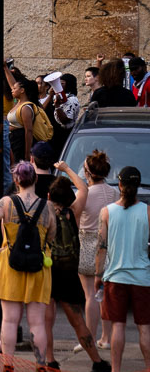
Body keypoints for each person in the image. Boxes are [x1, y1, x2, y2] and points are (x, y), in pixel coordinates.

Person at [0, 160, 54, 372]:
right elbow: (52, 235)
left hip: (10, 263)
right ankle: (41, 366)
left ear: (16, 180)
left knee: (10, 319)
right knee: (37, 321)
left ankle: (8, 366)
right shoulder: (47, 207)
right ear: (36, 179)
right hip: (39, 265)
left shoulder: (6, 203)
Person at [43, 165, 111, 372]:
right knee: (76, 318)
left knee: (46, 318)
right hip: (69, 269)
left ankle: (50, 360)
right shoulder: (73, 212)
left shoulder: (44, 209)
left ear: (48, 195)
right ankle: (96, 361)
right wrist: (66, 169)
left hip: (48, 269)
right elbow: (84, 188)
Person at [93, 165, 150, 372]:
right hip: (142, 277)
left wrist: (99, 274)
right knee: (144, 327)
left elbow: (101, 247)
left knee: (118, 325)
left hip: (115, 276)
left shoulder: (107, 212)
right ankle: (148, 371)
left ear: (119, 185)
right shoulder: (147, 211)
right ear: (137, 187)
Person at [76, 149, 117, 350]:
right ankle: (106, 338)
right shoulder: (114, 193)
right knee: (105, 294)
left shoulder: (83, 194)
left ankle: (89, 339)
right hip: (108, 245)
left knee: (89, 295)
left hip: (86, 243)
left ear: (87, 172)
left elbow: (75, 218)